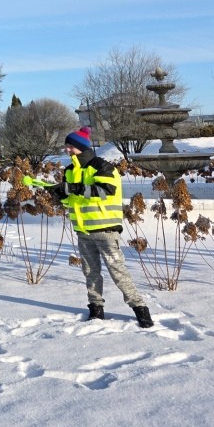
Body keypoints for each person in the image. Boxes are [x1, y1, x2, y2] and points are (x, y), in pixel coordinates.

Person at [41, 126, 154, 328]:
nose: (67, 150)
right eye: (66, 146)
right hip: (83, 231)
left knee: (118, 272)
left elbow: (105, 191)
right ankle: (96, 309)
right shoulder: (70, 171)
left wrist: (72, 188)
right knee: (90, 272)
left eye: (70, 146)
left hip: (106, 231)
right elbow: (72, 201)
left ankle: (140, 309)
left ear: (81, 147)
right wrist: (60, 195)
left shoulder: (102, 166)